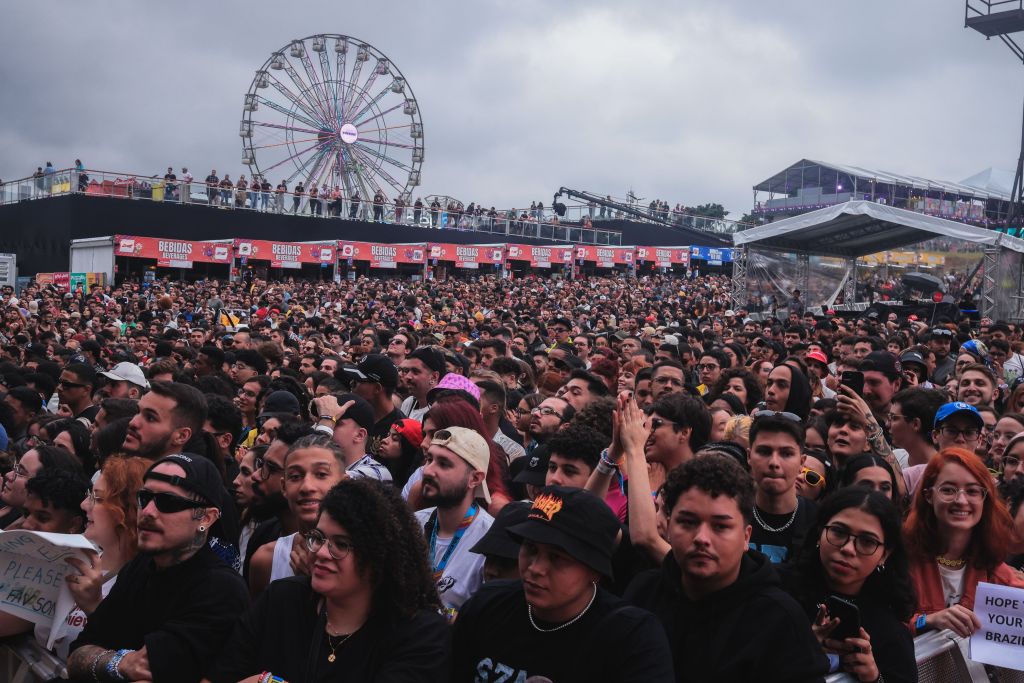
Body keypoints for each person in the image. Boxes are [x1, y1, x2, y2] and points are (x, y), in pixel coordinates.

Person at [207, 479, 451, 682]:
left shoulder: (419, 633)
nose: (322, 553)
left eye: (341, 545)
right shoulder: (282, 599)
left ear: (380, 555)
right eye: (319, 538)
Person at [625, 455, 828, 683]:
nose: (702, 538)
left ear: (745, 537)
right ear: (668, 527)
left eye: (721, 526)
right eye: (688, 522)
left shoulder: (780, 620)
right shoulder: (643, 593)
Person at [452, 486, 674, 683]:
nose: (536, 568)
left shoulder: (631, 637)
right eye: (530, 548)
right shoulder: (487, 605)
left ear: (594, 571)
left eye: (557, 557)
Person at [783, 489, 917, 683]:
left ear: (885, 555)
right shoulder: (777, 592)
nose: (848, 549)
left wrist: (874, 677)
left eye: (867, 541)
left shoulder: (890, 630)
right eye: (838, 532)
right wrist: (803, 649)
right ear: (820, 532)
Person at [905, 447, 1024, 639]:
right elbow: (883, 626)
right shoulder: (902, 558)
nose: (961, 500)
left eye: (972, 491)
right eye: (948, 490)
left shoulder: (993, 567)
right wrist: (928, 621)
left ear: (985, 500)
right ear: (928, 496)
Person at [248, 434, 348, 595]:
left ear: (344, 483)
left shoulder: (363, 558)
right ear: (283, 487)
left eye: (321, 474)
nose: (306, 487)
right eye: (295, 477)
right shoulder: (266, 560)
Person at [415, 426, 495, 621]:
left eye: (443, 464)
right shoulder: (413, 523)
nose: (428, 470)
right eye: (429, 459)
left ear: (474, 478)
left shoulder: (489, 539)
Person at [747, 413, 817, 564]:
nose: (774, 462)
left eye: (786, 453)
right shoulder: (732, 513)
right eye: (764, 451)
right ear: (749, 457)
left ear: (801, 463)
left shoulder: (818, 521)